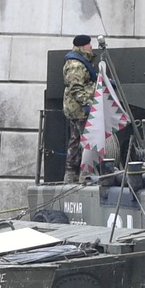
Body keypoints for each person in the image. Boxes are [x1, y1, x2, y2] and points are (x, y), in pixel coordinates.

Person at [61, 35, 99, 183]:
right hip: (79, 110)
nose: (91, 47)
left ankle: (72, 175)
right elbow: (76, 88)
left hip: (77, 109)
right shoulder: (76, 65)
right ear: (83, 46)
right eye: (89, 45)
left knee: (76, 141)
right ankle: (85, 174)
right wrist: (87, 104)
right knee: (86, 140)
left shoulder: (78, 62)